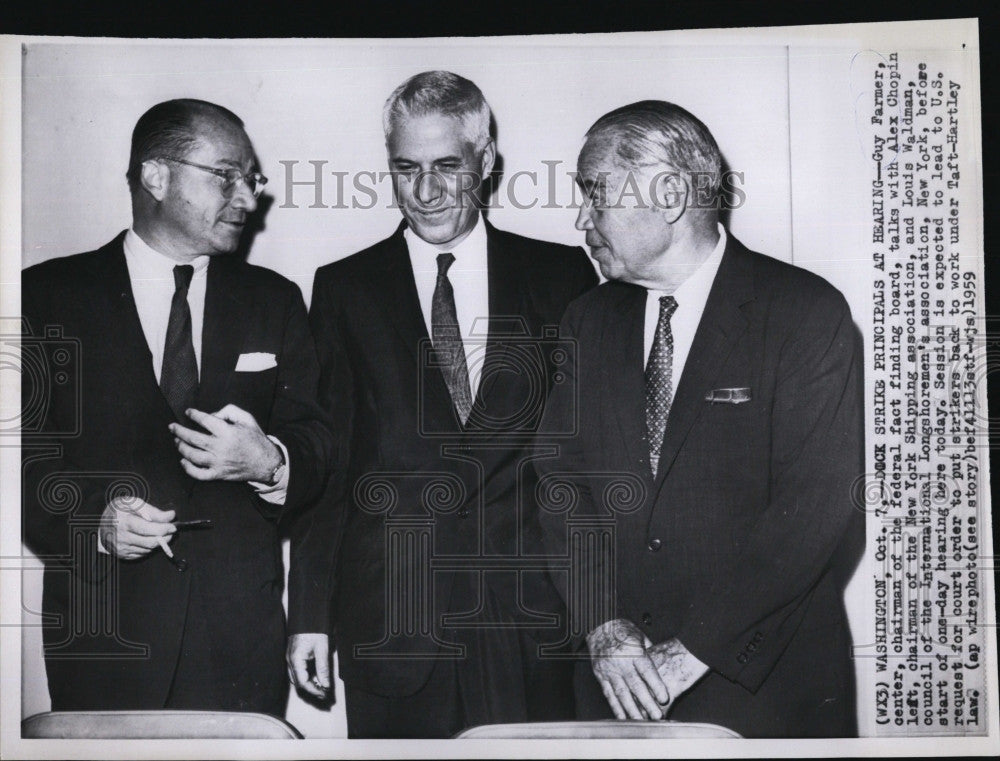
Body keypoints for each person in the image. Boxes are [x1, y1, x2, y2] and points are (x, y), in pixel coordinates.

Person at [536, 100, 863, 737]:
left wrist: (693, 653)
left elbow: (813, 513)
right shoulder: (586, 320)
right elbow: (560, 488)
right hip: (616, 684)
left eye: (595, 194)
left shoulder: (804, 313)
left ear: (671, 194)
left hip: (762, 687)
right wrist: (602, 624)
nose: (581, 218)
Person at [287, 70, 598, 738]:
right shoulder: (344, 288)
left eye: (446, 166)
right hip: (392, 626)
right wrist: (308, 612)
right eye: (406, 168)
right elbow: (331, 465)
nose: (424, 191)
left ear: (485, 163)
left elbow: (584, 462)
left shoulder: (562, 274)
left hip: (530, 620)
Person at [21, 98, 334, 714]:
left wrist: (271, 461)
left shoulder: (275, 299)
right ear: (156, 176)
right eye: (227, 176)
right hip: (104, 636)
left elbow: (320, 441)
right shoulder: (43, 296)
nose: (247, 198)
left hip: (240, 636)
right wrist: (94, 523)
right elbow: (16, 464)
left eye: (252, 179)